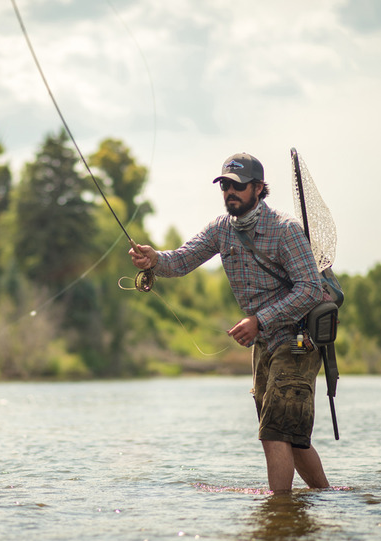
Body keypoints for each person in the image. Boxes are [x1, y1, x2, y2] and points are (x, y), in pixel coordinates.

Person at [129, 152, 330, 492]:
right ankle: (324, 497)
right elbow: (181, 260)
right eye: (224, 186)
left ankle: (276, 513)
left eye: (237, 186)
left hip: (298, 341)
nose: (229, 193)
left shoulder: (285, 230)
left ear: (258, 188)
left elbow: (311, 289)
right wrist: (154, 260)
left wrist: (260, 321)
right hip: (264, 344)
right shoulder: (222, 229)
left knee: (274, 433)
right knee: (291, 437)